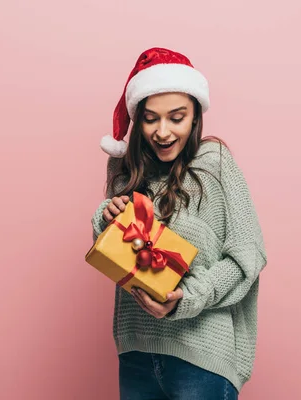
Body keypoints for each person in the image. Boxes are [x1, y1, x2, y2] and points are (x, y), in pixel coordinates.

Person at [90, 47, 268, 400]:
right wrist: (106, 215)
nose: (163, 131)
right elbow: (121, 256)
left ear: (195, 116)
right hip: (136, 354)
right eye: (151, 118)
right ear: (137, 120)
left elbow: (248, 255)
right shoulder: (123, 170)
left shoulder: (214, 163)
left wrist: (188, 296)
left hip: (201, 358)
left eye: (177, 117)